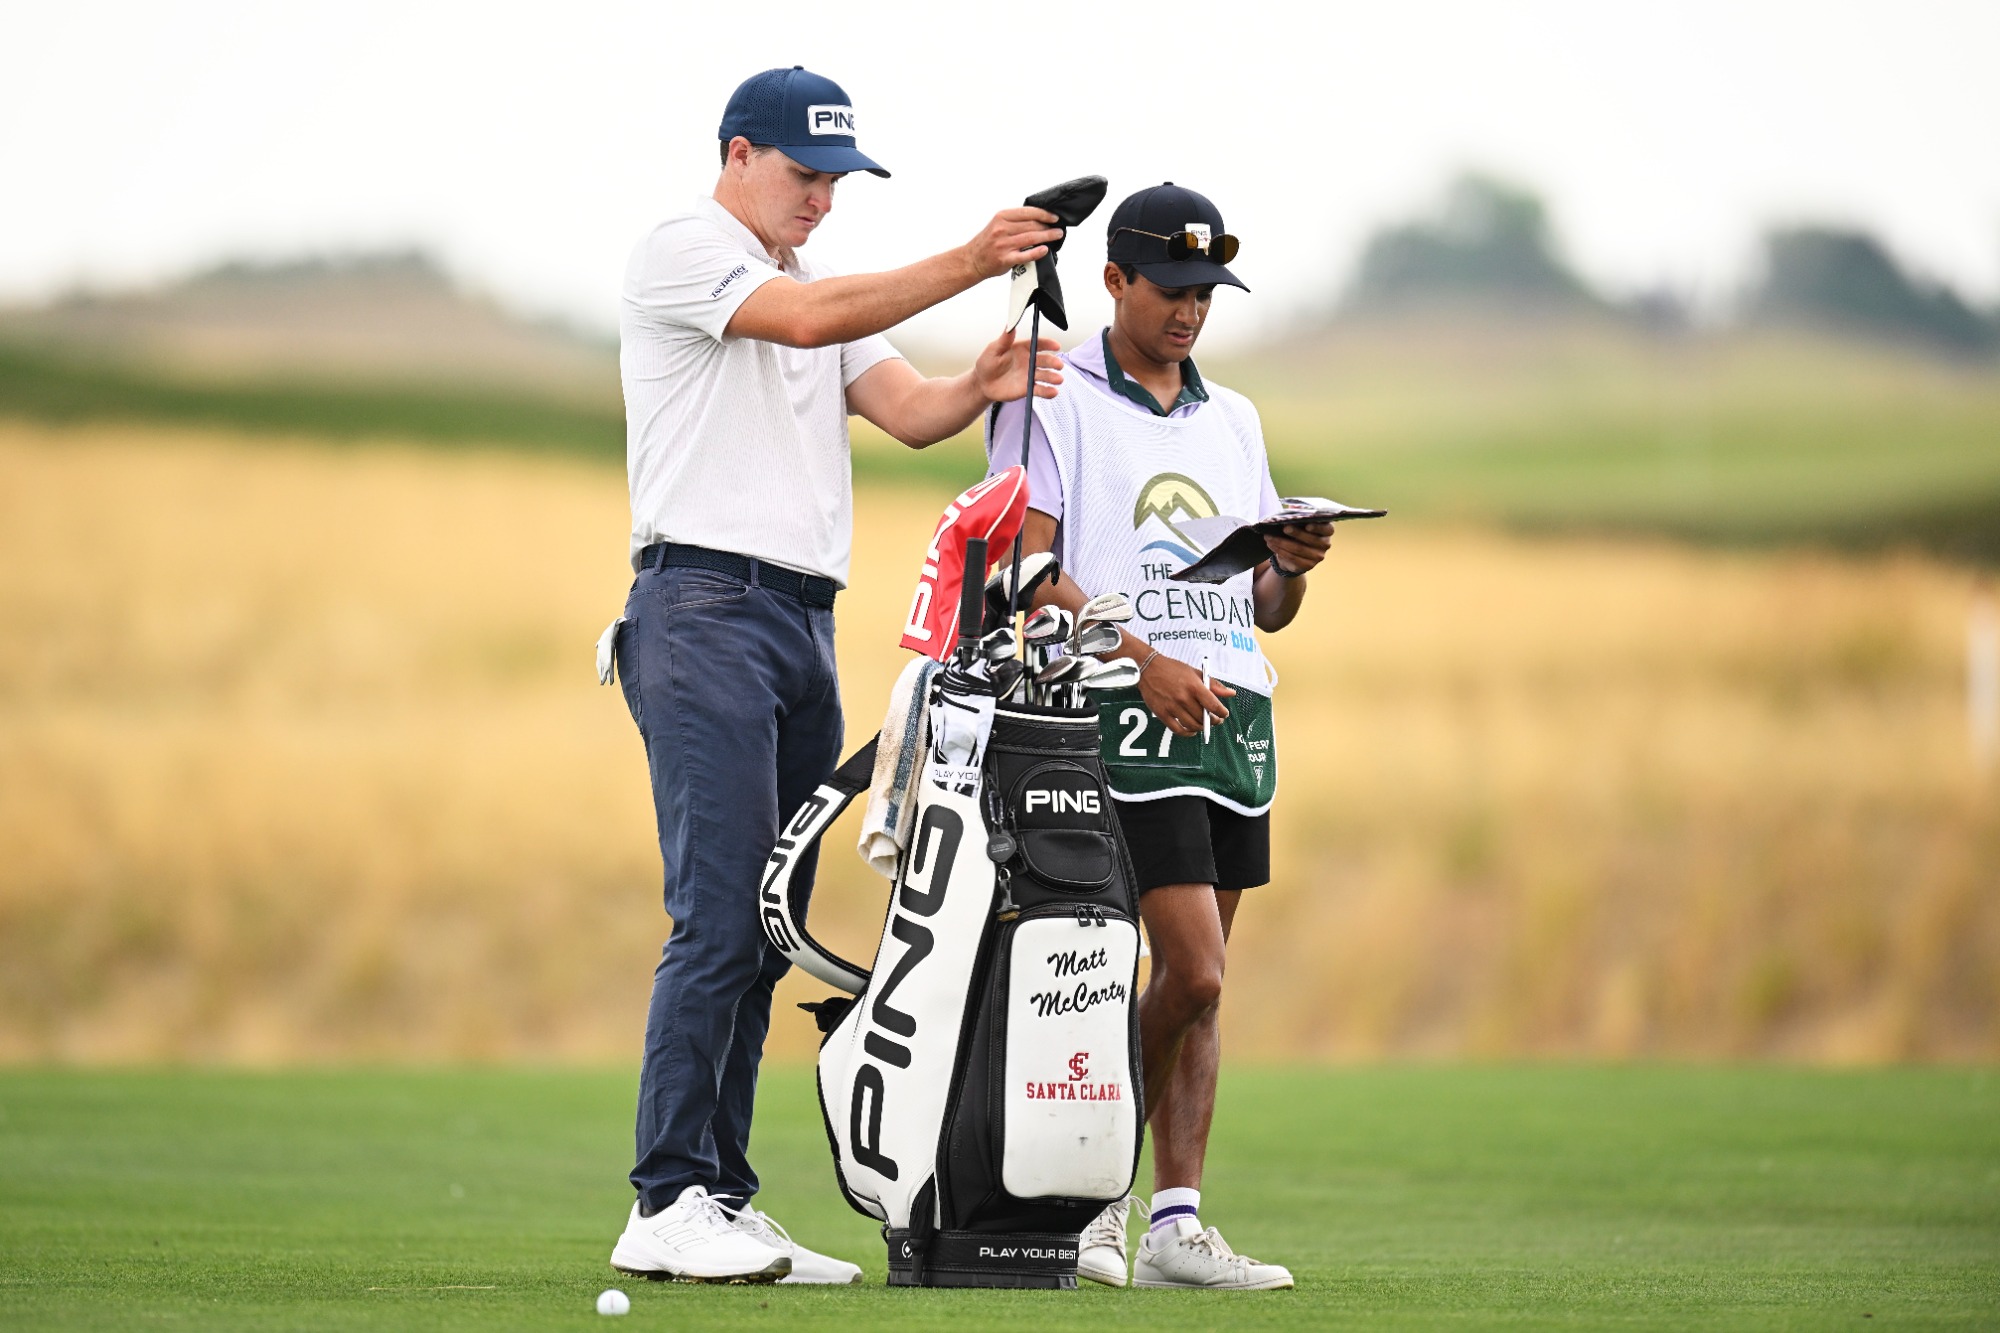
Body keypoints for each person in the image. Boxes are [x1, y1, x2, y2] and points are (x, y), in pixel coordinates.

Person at [606, 65, 1064, 1285]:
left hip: (800, 624)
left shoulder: (820, 286)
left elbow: (908, 411)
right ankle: (663, 1198)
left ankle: (721, 1194)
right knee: (715, 912)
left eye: (836, 181)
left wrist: (981, 383)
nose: (821, 200)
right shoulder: (682, 249)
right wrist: (970, 258)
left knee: (767, 919)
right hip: (700, 606)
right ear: (740, 153)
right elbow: (799, 327)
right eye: (805, 176)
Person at [986, 183, 1330, 1291]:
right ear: (1113, 281)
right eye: (1171, 290)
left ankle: (1173, 1220)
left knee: (1206, 985)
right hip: (1120, 710)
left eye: (1204, 294)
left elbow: (1262, 605)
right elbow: (1023, 571)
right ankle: (1095, 1192)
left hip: (1231, 716)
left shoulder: (1234, 420)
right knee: (1192, 968)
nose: (1189, 312)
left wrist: (1287, 565)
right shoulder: (1055, 394)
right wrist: (1143, 664)